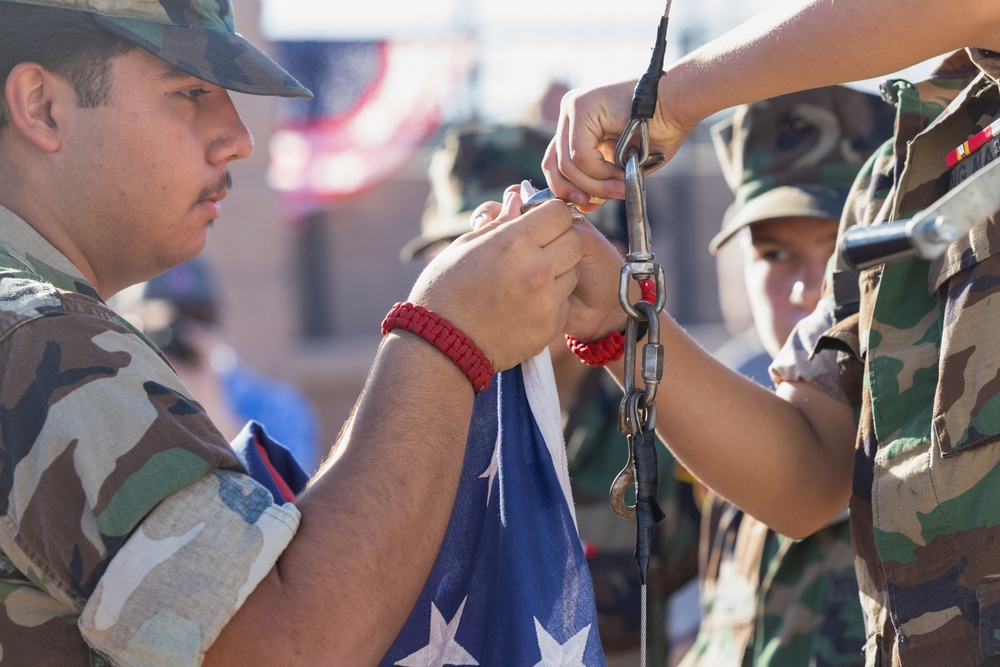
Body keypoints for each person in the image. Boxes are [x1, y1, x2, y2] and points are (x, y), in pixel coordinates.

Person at [0, 1, 592, 664]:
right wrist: (445, 335)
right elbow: (291, 646)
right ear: (42, 107)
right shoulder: (42, 340)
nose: (236, 136)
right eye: (188, 91)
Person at [537, 1, 1000, 664]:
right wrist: (620, 320)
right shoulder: (899, 177)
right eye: (774, 253)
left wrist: (670, 99)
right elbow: (807, 475)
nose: (795, 282)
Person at [402, 120, 702, 666]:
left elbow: (697, 637)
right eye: (463, 261)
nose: (492, 285)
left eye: (522, 251)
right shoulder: (411, 434)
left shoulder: (665, 438)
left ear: (594, 256)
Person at [680, 85, 894, 667]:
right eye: (774, 256)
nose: (805, 290)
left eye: (835, 257)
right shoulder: (731, 458)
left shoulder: (926, 461)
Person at [114, 258, 324, 473]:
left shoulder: (276, 407)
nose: (183, 334)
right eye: (161, 323)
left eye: (198, 316)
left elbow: (291, 500)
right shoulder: (110, 400)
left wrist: (210, 409)